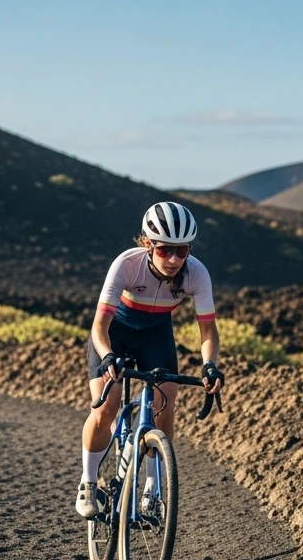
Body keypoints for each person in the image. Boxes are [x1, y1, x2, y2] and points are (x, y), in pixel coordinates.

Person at [76, 201, 224, 518]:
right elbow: (99, 326)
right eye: (164, 250)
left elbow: (208, 331)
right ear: (148, 244)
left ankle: (152, 489)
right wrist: (108, 356)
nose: (173, 259)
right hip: (116, 334)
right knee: (106, 404)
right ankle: (88, 482)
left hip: (156, 334)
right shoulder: (126, 265)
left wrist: (209, 364)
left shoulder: (197, 273)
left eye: (181, 251)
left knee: (166, 401)